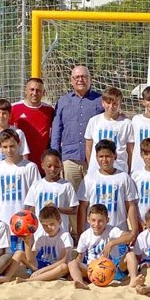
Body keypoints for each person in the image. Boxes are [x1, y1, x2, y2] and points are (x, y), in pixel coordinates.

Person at [50, 64, 103, 199]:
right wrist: (56, 157)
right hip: (69, 159)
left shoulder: (100, 100)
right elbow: (56, 131)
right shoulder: (62, 101)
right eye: (77, 77)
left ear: (90, 79)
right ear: (71, 81)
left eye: (84, 77)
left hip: (92, 159)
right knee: (72, 199)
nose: (80, 80)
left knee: (93, 198)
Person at [0, 129, 40, 253]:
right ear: (0, 147)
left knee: (23, 258)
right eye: (5, 147)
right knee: (5, 258)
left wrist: (32, 219)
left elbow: (35, 196)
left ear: (19, 144)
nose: (9, 150)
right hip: (2, 221)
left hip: (23, 222)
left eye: (12, 146)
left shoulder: (30, 167)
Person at [0, 205, 73, 283]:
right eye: (45, 225)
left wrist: (42, 270)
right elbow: (30, 259)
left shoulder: (65, 236)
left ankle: (27, 280)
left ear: (59, 221)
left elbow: (63, 260)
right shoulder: (40, 235)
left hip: (54, 268)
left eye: (52, 224)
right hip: (40, 265)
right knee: (19, 253)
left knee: (64, 267)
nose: (48, 227)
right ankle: (7, 277)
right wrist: (27, 243)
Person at [76, 140, 139, 238]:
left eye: (108, 156)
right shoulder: (89, 178)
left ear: (115, 156)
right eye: (101, 156)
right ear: (96, 157)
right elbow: (83, 207)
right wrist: (80, 232)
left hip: (118, 230)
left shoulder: (124, 177)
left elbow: (130, 205)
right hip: (94, 233)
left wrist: (134, 232)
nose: (104, 160)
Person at [68, 204, 140, 289]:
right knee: (72, 263)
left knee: (130, 254)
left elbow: (130, 236)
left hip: (113, 268)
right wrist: (74, 271)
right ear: (88, 220)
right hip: (93, 269)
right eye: (93, 220)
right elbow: (80, 257)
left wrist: (111, 243)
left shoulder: (112, 230)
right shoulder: (85, 235)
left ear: (107, 220)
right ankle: (80, 283)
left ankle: (133, 280)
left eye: (100, 221)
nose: (97, 224)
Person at [23, 149, 78, 233]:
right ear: (42, 165)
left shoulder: (66, 185)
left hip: (61, 233)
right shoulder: (36, 185)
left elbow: (74, 209)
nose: (53, 169)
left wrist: (57, 209)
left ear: (61, 166)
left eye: (56, 166)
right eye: (49, 166)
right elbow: (31, 208)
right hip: (40, 233)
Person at [11, 77, 55, 177]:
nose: (35, 93)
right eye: (32, 89)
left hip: (42, 163)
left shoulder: (49, 110)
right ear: (26, 91)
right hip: (20, 164)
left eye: (38, 90)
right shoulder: (14, 108)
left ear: (44, 93)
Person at [84, 87, 134, 175]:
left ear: (120, 103)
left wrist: (129, 171)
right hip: (97, 171)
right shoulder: (94, 121)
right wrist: (91, 166)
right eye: (108, 103)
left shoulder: (127, 124)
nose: (111, 106)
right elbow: (88, 147)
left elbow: (130, 151)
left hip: (119, 170)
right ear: (103, 103)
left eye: (115, 103)